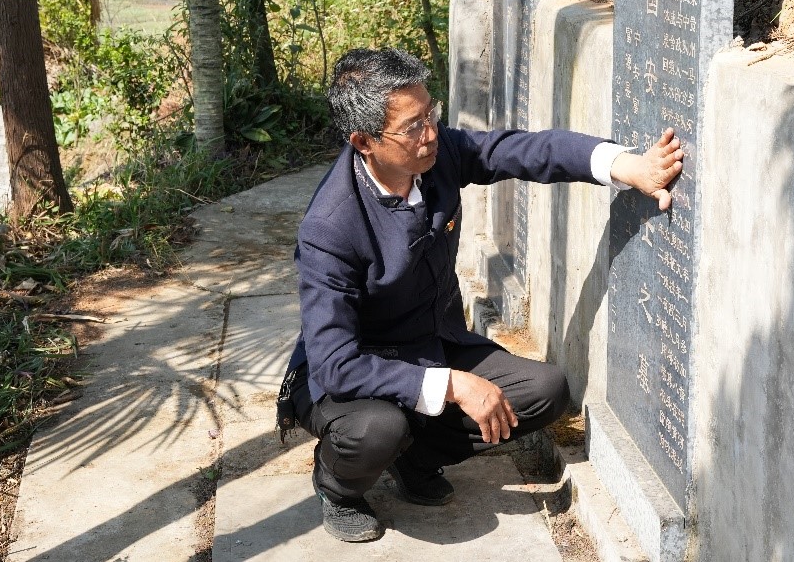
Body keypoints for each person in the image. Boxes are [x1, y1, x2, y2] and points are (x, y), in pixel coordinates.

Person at [277, 47, 682, 542]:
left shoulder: (436, 152)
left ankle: (415, 456)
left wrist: (624, 165)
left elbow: (521, 150)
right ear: (364, 141)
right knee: (376, 429)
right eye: (412, 127)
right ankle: (337, 484)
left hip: (431, 342)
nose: (430, 134)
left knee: (545, 391)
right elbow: (335, 364)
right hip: (354, 373)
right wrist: (454, 386)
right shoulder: (330, 227)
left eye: (431, 114)